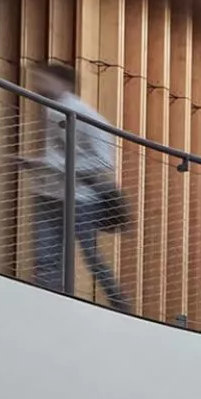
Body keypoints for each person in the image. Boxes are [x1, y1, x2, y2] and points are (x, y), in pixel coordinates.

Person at [16, 61, 130, 313]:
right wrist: (37, 163)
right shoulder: (50, 109)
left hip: (80, 198)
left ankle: (120, 305)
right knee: (45, 256)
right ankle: (49, 307)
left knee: (91, 257)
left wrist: (57, 166)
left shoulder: (84, 114)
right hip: (47, 193)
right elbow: (58, 154)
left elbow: (103, 160)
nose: (36, 84)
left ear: (63, 83)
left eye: (42, 79)